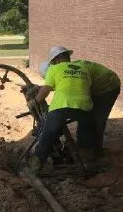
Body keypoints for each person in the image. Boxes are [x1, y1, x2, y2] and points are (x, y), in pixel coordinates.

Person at [29, 46, 96, 174]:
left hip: (62, 106)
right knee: (85, 134)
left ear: (57, 59)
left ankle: (36, 165)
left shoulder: (54, 69)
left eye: (53, 61)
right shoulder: (84, 68)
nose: (53, 63)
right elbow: (72, 84)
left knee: (47, 134)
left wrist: (35, 101)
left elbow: (46, 90)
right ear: (67, 56)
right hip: (85, 107)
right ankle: (86, 161)